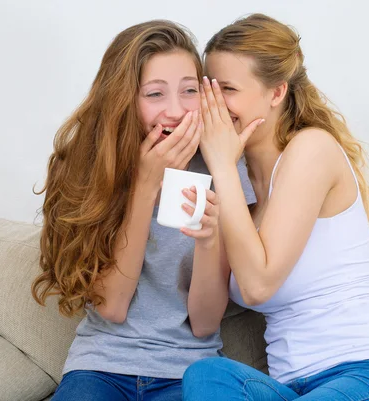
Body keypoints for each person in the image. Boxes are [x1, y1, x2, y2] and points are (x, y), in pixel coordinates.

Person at [182, 14, 369, 400]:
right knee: (206, 376)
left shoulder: (312, 149)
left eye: (227, 89)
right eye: (207, 88)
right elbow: (203, 318)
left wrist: (222, 166)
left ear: (276, 93)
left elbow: (258, 285)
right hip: (290, 389)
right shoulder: (235, 186)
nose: (214, 104)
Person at [31, 20, 255, 401]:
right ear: (123, 100)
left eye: (189, 91)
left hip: (188, 373)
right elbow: (113, 307)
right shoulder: (89, 168)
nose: (175, 111)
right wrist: (145, 185)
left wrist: (208, 241)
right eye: (155, 94)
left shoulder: (221, 165)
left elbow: (203, 324)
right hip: (101, 368)